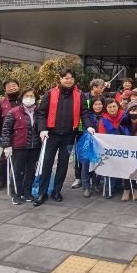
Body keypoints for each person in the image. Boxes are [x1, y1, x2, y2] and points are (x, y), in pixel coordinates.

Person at [34, 69, 94, 206]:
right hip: (51, 134)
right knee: (46, 163)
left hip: (69, 135)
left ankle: (56, 191)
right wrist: (42, 129)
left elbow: (84, 113)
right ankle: (42, 193)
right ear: (60, 79)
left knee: (63, 164)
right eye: (66, 78)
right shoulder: (50, 93)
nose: (69, 80)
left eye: (71, 78)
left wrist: (89, 126)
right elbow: (41, 113)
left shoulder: (79, 95)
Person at [0, 87, 41, 205]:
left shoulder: (39, 112)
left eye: (31, 96)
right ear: (22, 98)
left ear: (36, 98)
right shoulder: (14, 112)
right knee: (17, 171)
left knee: (31, 171)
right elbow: (6, 130)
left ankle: (27, 192)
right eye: (26, 96)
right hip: (19, 147)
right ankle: (16, 194)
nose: (29, 98)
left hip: (35, 146)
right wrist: (6, 146)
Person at [0, 79, 21, 191]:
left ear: (18, 87)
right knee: (5, 158)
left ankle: (19, 180)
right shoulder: (2, 102)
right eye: (9, 86)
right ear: (5, 89)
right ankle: (1, 181)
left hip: (21, 134)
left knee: (22, 158)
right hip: (7, 136)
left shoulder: (23, 100)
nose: (12, 88)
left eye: (14, 85)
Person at [97, 98, 124, 198]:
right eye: (109, 107)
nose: (112, 109)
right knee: (110, 167)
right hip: (109, 148)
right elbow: (101, 136)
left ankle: (119, 186)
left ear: (118, 107)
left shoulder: (124, 117)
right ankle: (109, 189)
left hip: (123, 147)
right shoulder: (103, 121)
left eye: (114, 106)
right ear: (106, 108)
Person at [79, 95, 105, 197]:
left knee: (98, 163)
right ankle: (86, 186)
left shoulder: (105, 116)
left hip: (101, 144)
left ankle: (96, 183)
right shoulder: (87, 116)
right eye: (95, 104)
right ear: (92, 105)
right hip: (88, 143)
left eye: (100, 104)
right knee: (86, 164)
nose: (98, 106)